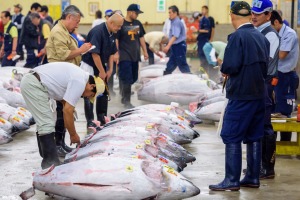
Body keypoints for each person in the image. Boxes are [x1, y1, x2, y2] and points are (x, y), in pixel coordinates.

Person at [209, 1, 270, 191]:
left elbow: (230, 66)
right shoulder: (262, 37)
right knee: (254, 136)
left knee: (232, 136)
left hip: (241, 95)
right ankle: (252, 176)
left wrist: (224, 68)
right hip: (259, 95)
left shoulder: (237, 37)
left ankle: (232, 180)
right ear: (249, 16)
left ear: (232, 16)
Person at [20, 62, 102, 169]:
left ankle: (48, 157)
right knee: (46, 123)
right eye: (90, 95)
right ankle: (50, 161)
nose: (86, 97)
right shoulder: (80, 81)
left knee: (45, 122)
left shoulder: (79, 76)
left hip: (34, 82)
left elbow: (64, 103)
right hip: (34, 84)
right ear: (92, 86)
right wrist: (73, 135)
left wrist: (69, 112)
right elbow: (67, 110)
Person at [46, 5, 91, 157]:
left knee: (63, 109)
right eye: (76, 21)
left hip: (65, 76)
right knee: (61, 111)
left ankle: (61, 143)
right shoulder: (58, 31)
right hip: (59, 77)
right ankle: (57, 144)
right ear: (69, 17)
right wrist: (81, 50)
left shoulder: (65, 31)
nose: (77, 24)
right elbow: (63, 55)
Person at [251, 0, 279, 179]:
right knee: (256, 124)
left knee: (265, 125)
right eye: (252, 13)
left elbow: (264, 61)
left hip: (266, 84)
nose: (253, 16)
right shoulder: (256, 32)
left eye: (258, 14)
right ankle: (256, 166)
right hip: (256, 83)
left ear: (268, 15)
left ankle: (267, 168)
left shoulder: (271, 35)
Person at [81, 13, 124, 126]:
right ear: (111, 23)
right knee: (90, 92)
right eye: (118, 26)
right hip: (90, 65)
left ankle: (101, 117)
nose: (119, 29)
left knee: (103, 92)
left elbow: (111, 53)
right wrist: (102, 71)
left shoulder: (112, 33)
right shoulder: (98, 31)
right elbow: (95, 54)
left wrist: (109, 70)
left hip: (101, 65)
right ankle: (90, 122)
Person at [271, 10, 299, 141]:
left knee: (284, 111)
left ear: (276, 22)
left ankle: (285, 142)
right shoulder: (274, 33)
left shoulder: (289, 34)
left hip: (286, 76)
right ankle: (272, 146)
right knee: (273, 111)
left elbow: (282, 55)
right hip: (275, 74)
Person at [116, 4, 148, 108]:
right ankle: (126, 101)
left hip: (135, 55)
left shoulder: (137, 23)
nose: (138, 15)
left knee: (133, 78)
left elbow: (142, 38)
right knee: (127, 78)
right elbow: (116, 39)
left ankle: (124, 96)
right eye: (136, 13)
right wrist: (116, 52)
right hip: (124, 56)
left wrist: (145, 52)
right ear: (130, 12)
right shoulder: (121, 23)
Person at [163, 5, 190, 75]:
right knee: (171, 64)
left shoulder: (176, 22)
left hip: (179, 46)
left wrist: (168, 46)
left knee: (182, 64)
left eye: (170, 12)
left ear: (175, 13)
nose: (169, 14)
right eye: (168, 13)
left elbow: (175, 36)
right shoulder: (173, 22)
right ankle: (166, 74)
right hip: (175, 46)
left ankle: (190, 78)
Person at [19, 2, 41, 68]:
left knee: (32, 58)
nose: (38, 13)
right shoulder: (29, 18)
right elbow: (31, 31)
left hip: (30, 41)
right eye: (38, 11)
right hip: (29, 41)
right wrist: (38, 32)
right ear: (33, 9)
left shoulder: (29, 17)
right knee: (31, 60)